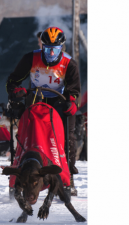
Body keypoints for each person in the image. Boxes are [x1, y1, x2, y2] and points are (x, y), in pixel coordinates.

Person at [5, 26, 80, 196]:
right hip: (36, 98)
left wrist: (72, 102)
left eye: (55, 49)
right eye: (47, 49)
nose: (51, 54)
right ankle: (18, 176)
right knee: (28, 134)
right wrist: (16, 91)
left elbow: (74, 89)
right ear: (42, 46)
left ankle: (68, 178)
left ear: (61, 48)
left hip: (59, 101)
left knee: (68, 135)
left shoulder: (69, 64)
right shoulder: (30, 58)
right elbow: (12, 80)